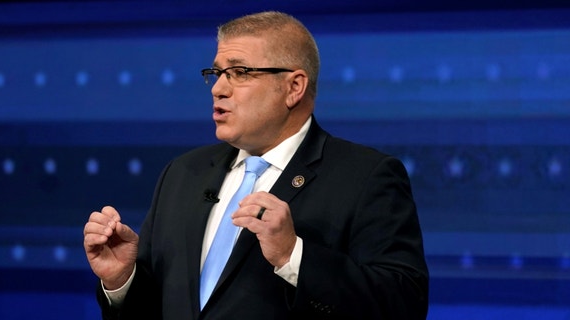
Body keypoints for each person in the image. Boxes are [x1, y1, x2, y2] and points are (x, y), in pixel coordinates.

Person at [83, 11, 429, 319]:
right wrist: (121, 281)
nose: (218, 89)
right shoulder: (183, 173)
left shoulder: (365, 175)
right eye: (216, 73)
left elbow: (403, 303)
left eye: (239, 72)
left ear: (294, 87)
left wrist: (293, 255)